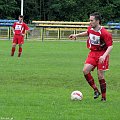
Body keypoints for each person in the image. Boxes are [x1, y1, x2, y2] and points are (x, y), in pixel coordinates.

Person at [69, 12, 113, 101]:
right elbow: (87, 32)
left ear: (97, 21)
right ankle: (96, 90)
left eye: (91, 20)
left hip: (102, 54)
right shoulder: (91, 28)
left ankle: (104, 97)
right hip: (93, 53)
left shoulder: (104, 33)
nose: (90, 22)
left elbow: (110, 46)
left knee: (100, 76)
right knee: (85, 71)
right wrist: (76, 35)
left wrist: (104, 56)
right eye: (89, 20)